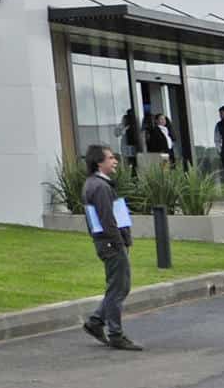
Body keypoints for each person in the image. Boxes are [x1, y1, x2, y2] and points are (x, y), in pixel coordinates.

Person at [82, 145, 142, 351]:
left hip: (107, 242)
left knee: (118, 287)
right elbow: (108, 220)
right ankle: (115, 334)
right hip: (111, 243)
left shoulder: (96, 184)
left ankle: (96, 322)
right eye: (110, 158)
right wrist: (120, 242)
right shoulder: (100, 187)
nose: (115, 161)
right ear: (99, 162)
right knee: (118, 289)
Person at [216, 106, 224, 175]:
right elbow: (217, 140)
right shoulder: (219, 125)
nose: (220, 115)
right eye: (220, 114)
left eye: (222, 113)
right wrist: (220, 152)